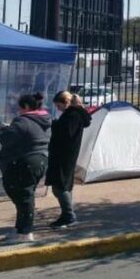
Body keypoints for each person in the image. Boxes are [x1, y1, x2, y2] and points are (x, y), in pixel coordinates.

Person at [0, 93, 51, 242]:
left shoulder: (23, 121)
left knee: (23, 197)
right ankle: (20, 228)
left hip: (26, 162)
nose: (18, 110)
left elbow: (6, 138)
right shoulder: (44, 119)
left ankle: (25, 232)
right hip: (40, 160)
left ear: (26, 107)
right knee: (24, 195)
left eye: (20, 107)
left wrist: (1, 130)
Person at [46, 91, 91, 228]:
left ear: (65, 102)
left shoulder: (72, 116)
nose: (57, 108)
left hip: (64, 156)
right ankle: (67, 214)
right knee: (64, 185)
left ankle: (69, 215)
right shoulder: (74, 114)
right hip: (67, 155)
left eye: (58, 105)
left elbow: (66, 134)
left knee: (60, 186)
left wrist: (54, 125)